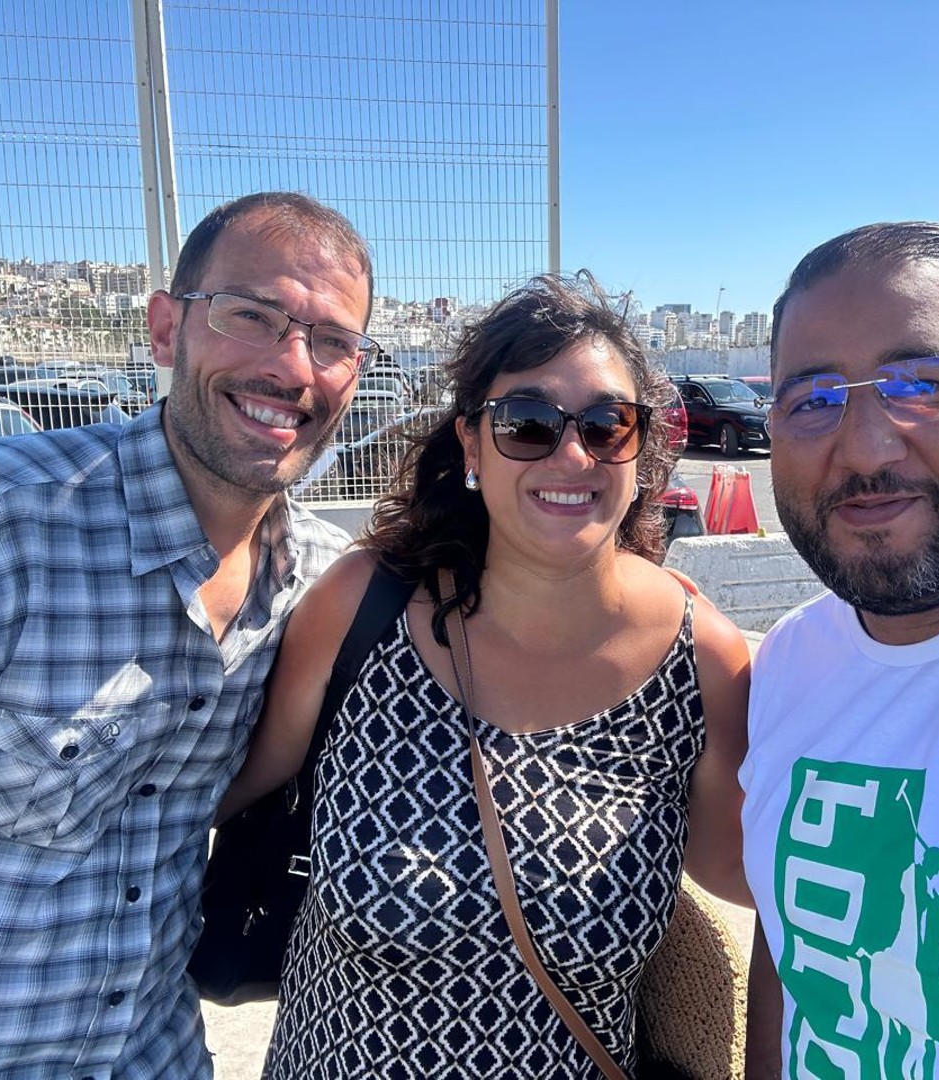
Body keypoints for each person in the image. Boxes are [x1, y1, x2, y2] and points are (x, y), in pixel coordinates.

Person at [221, 271, 752, 1078]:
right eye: (529, 423)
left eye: (608, 424)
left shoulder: (701, 659)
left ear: (640, 447)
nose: (572, 453)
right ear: (471, 443)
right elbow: (219, 790)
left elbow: (763, 880)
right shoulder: (364, 610)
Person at [0, 191, 377, 1078]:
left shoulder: (324, 586)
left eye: (332, 343)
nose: (294, 368)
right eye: (253, 316)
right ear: (167, 331)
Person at [739, 221, 939, 1078]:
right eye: (812, 399)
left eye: (920, 382)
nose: (866, 447)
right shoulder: (785, 665)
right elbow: (792, 946)